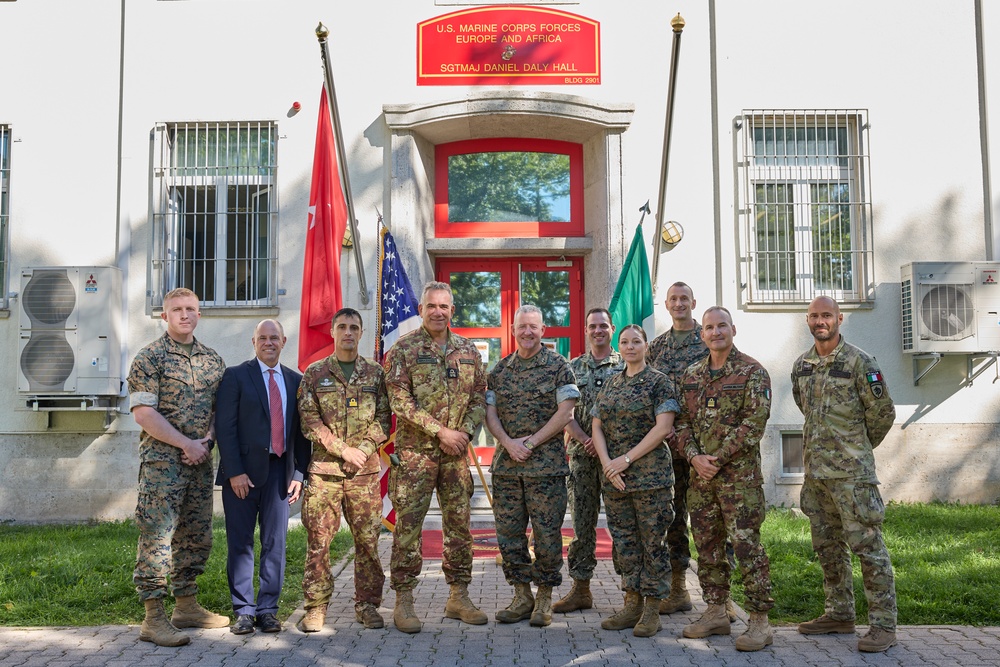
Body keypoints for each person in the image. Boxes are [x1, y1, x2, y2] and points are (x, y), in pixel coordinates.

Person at [792, 296, 898, 653]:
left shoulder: (860, 362)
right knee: (827, 547)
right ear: (808, 321)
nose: (820, 321)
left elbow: (882, 413)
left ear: (839, 318)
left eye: (826, 315)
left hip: (853, 477)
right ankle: (839, 613)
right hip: (816, 474)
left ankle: (883, 625)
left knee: (868, 547)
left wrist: (856, 449)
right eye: (814, 316)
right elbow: (804, 407)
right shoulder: (802, 365)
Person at [383, 282, 488, 634]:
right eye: (431, 306)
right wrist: (441, 432)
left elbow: (479, 398)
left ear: (452, 310)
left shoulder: (469, 352)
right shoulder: (403, 350)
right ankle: (404, 600)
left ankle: (458, 596)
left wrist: (465, 434)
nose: (438, 312)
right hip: (415, 456)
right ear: (421, 309)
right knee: (408, 529)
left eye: (444, 306)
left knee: (459, 528)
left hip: (456, 458)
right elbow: (399, 401)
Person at [127, 287, 229, 646]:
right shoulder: (149, 358)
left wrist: (205, 443)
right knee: (157, 537)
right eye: (177, 309)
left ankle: (186, 606)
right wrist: (185, 444)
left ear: (199, 314)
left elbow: (220, 411)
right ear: (164, 316)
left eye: (191, 309)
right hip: (162, 465)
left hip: (200, 462)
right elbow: (143, 413)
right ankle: (153, 617)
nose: (185, 315)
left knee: (196, 534)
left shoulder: (212, 360)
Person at [674, 306, 775, 652]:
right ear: (701, 335)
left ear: (733, 329)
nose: (715, 332)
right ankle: (716, 611)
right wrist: (694, 457)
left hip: (739, 481)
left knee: (746, 546)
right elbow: (680, 423)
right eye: (709, 328)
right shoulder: (690, 375)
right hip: (701, 481)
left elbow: (754, 423)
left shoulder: (752, 372)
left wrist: (716, 459)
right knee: (707, 546)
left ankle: (760, 620)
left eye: (721, 326)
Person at [297, 308, 391, 633]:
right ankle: (315, 607)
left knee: (367, 543)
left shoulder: (376, 374)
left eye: (353, 327)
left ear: (361, 332)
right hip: (325, 474)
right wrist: (343, 450)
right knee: (319, 542)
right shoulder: (315, 373)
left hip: (364, 475)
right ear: (333, 332)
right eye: (342, 327)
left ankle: (366, 605)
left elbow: (384, 418)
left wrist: (363, 451)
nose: (348, 332)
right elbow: (309, 420)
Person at [215, 319, 310, 634]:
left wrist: (299, 472)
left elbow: (303, 433)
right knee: (241, 542)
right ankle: (243, 610)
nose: (269, 343)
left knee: (275, 543)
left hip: (280, 473)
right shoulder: (236, 376)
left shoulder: (296, 381)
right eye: (262, 338)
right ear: (253, 342)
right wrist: (235, 472)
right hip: (242, 475)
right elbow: (225, 429)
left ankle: (268, 609)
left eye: (274, 338)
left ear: (284, 341)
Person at [486, 304, 579, 628]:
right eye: (522, 326)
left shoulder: (558, 366)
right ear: (513, 330)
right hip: (508, 469)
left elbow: (566, 411)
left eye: (533, 327)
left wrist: (531, 441)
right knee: (509, 535)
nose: (527, 332)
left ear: (543, 331)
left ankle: (544, 597)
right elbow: (490, 414)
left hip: (546, 469)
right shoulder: (499, 370)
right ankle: (522, 594)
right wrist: (508, 443)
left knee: (548, 536)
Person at [591, 324, 678, 637]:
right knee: (625, 542)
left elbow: (663, 427)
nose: (630, 347)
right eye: (624, 342)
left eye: (636, 341)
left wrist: (624, 459)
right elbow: (596, 425)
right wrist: (607, 465)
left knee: (652, 543)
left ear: (645, 345)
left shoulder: (659, 382)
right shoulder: (611, 384)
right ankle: (631, 603)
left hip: (650, 478)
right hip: (617, 480)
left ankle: (652, 608)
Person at [553, 308, 624, 614]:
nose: (598, 330)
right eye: (593, 326)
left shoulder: (626, 364)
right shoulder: (572, 368)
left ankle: (631, 592)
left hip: (618, 459)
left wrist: (604, 445)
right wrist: (585, 439)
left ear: (612, 328)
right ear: (585, 329)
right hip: (582, 457)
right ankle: (581, 588)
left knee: (623, 525)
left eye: (603, 326)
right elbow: (564, 412)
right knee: (582, 525)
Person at [645, 281, 706, 615]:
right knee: (673, 518)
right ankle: (679, 587)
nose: (679, 303)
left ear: (693, 302)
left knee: (710, 519)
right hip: (668, 448)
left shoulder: (708, 339)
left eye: (685, 298)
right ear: (666, 305)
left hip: (702, 445)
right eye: (674, 299)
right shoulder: (656, 348)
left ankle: (718, 597)